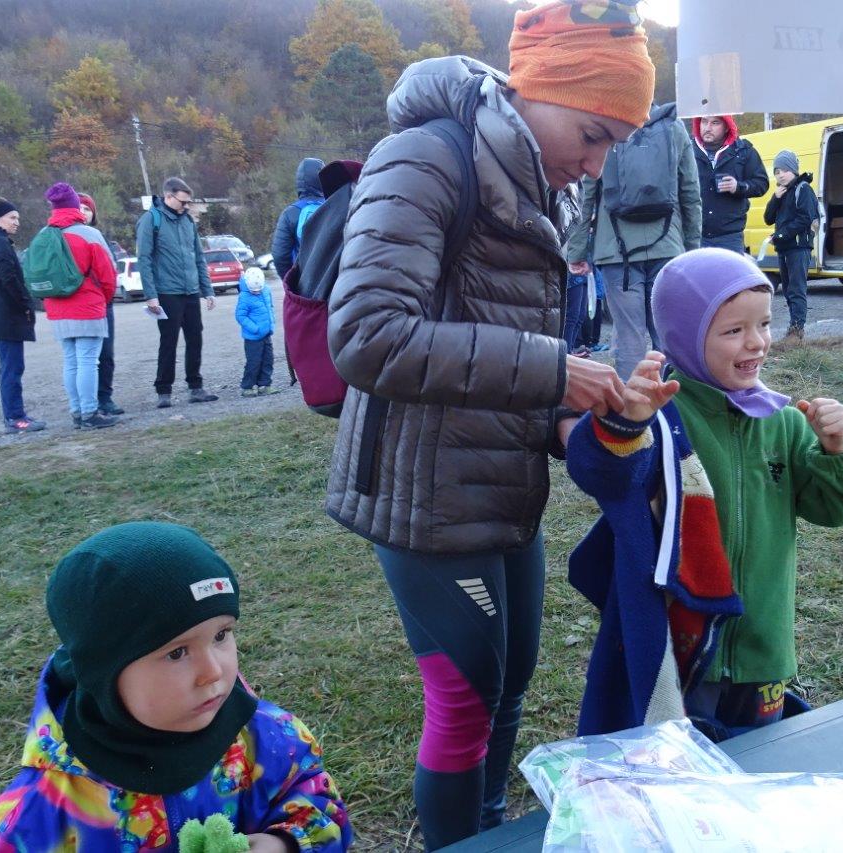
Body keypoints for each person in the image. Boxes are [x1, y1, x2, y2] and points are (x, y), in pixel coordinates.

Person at [323, 1, 652, 847]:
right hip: (422, 491)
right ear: (537, 88)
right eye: (593, 133)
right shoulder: (426, 158)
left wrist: (578, 414)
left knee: (509, 686)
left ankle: (490, 831)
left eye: (614, 143)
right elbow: (365, 335)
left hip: (503, 485)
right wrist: (554, 371)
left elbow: (500, 341)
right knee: (466, 697)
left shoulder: (540, 183)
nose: (596, 162)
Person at [566, 249, 843, 740]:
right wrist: (626, 424)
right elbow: (602, 474)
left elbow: (842, 504)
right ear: (685, 336)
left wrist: (838, 448)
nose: (757, 341)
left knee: (759, 759)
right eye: (734, 330)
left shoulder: (782, 421)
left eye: (765, 324)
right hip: (684, 645)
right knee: (684, 762)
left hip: (763, 646)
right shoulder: (660, 417)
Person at [0, 521, 353, 851]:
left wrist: (283, 843)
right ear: (104, 671)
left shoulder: (268, 739)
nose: (212, 672)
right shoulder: (41, 813)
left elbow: (318, 802)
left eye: (221, 635)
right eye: (177, 653)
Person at [565, 102, 701, 379]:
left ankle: (632, 400)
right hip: (668, 246)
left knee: (629, 335)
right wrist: (692, 249)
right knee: (666, 331)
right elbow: (690, 192)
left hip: (616, 251)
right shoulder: (673, 127)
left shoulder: (604, 126)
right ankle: (673, 398)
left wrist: (577, 251)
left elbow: (586, 195)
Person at [40, 183, 120, 430]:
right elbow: (108, 274)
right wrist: (103, 298)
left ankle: (76, 411)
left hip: (57, 308)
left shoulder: (44, 235)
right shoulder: (88, 234)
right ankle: (89, 413)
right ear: (75, 206)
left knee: (71, 361)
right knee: (88, 361)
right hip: (87, 307)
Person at [136, 177, 219, 408]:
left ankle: (196, 387)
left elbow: (198, 257)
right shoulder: (151, 220)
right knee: (168, 342)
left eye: (188, 202)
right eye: (183, 202)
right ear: (168, 196)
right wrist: (151, 295)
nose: (186, 206)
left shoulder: (188, 221)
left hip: (191, 291)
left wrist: (207, 290)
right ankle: (164, 391)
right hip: (167, 293)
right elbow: (144, 259)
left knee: (195, 339)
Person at [0, 197, 45, 434]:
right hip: (5, 316)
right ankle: (15, 418)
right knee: (12, 368)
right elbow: (9, 278)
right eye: (12, 217)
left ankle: (15, 415)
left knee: (11, 367)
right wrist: (26, 304)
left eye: (18, 218)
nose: (17, 222)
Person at [692, 115, 769, 254]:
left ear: (727, 126)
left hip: (730, 237)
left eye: (715, 123)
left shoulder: (743, 150)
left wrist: (738, 187)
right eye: (704, 122)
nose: (708, 128)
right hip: (694, 235)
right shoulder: (686, 150)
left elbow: (762, 183)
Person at [763, 150, 819, 341]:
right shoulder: (782, 192)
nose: (780, 175)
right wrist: (775, 198)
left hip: (799, 247)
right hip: (784, 247)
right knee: (787, 290)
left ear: (793, 170)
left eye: (785, 170)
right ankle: (793, 327)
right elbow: (768, 218)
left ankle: (797, 330)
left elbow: (805, 219)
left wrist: (780, 235)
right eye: (777, 171)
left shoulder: (803, 189)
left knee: (796, 289)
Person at [77, 192, 125, 416]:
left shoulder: (99, 237)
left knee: (106, 353)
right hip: (79, 303)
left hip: (103, 302)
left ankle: (105, 397)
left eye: (87, 209)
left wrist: (107, 295)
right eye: (79, 208)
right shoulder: (63, 237)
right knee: (82, 357)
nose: (83, 212)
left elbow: (110, 270)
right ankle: (85, 403)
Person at [271, 158, 326, 281]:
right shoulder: (336, 207)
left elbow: (280, 256)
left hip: (304, 284)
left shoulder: (290, 213)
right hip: (335, 284)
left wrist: (291, 282)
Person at [235, 266, 276, 396]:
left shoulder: (266, 290)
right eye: (254, 291)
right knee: (253, 362)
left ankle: (264, 384)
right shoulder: (244, 297)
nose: (257, 292)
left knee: (268, 360)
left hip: (266, 334)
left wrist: (271, 324)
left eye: (259, 290)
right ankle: (247, 387)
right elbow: (240, 316)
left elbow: (270, 307)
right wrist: (254, 328)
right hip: (253, 338)